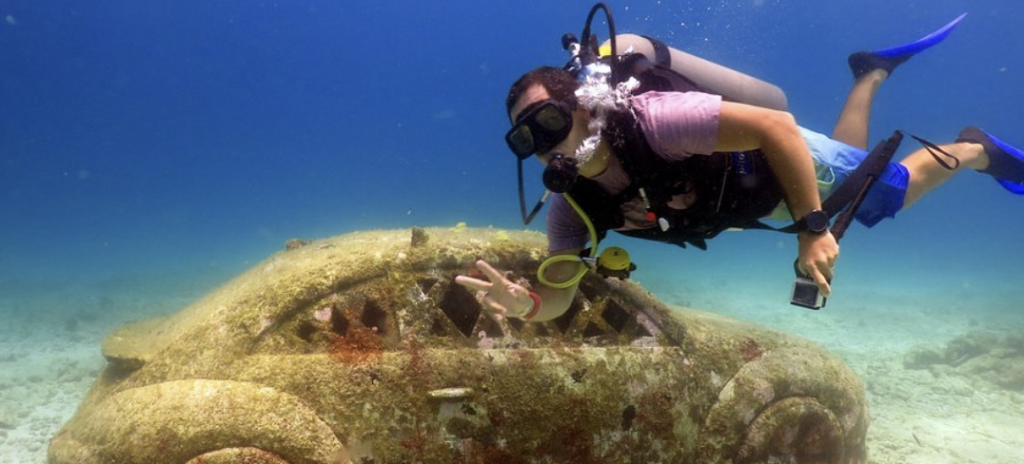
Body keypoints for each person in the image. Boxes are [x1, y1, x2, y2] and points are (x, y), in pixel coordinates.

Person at [456, 18, 1024, 322]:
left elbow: (776, 128)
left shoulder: (655, 121)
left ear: (582, 107)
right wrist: (528, 306)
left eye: (549, 122)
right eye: (524, 137)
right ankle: (869, 74)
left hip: (778, 165)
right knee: (851, 182)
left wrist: (813, 228)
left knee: (885, 194)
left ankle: (977, 149)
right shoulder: (571, 208)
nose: (541, 146)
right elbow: (560, 290)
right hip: (761, 195)